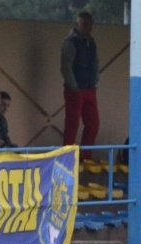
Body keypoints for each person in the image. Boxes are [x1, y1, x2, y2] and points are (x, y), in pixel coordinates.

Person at [61, 11, 100, 161]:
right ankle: (67, 157)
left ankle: (86, 157)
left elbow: (96, 63)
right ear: (77, 25)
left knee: (93, 123)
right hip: (75, 90)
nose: (87, 28)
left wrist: (96, 82)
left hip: (90, 88)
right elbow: (65, 67)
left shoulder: (92, 42)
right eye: (84, 24)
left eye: (90, 25)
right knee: (72, 124)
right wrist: (74, 87)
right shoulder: (70, 42)